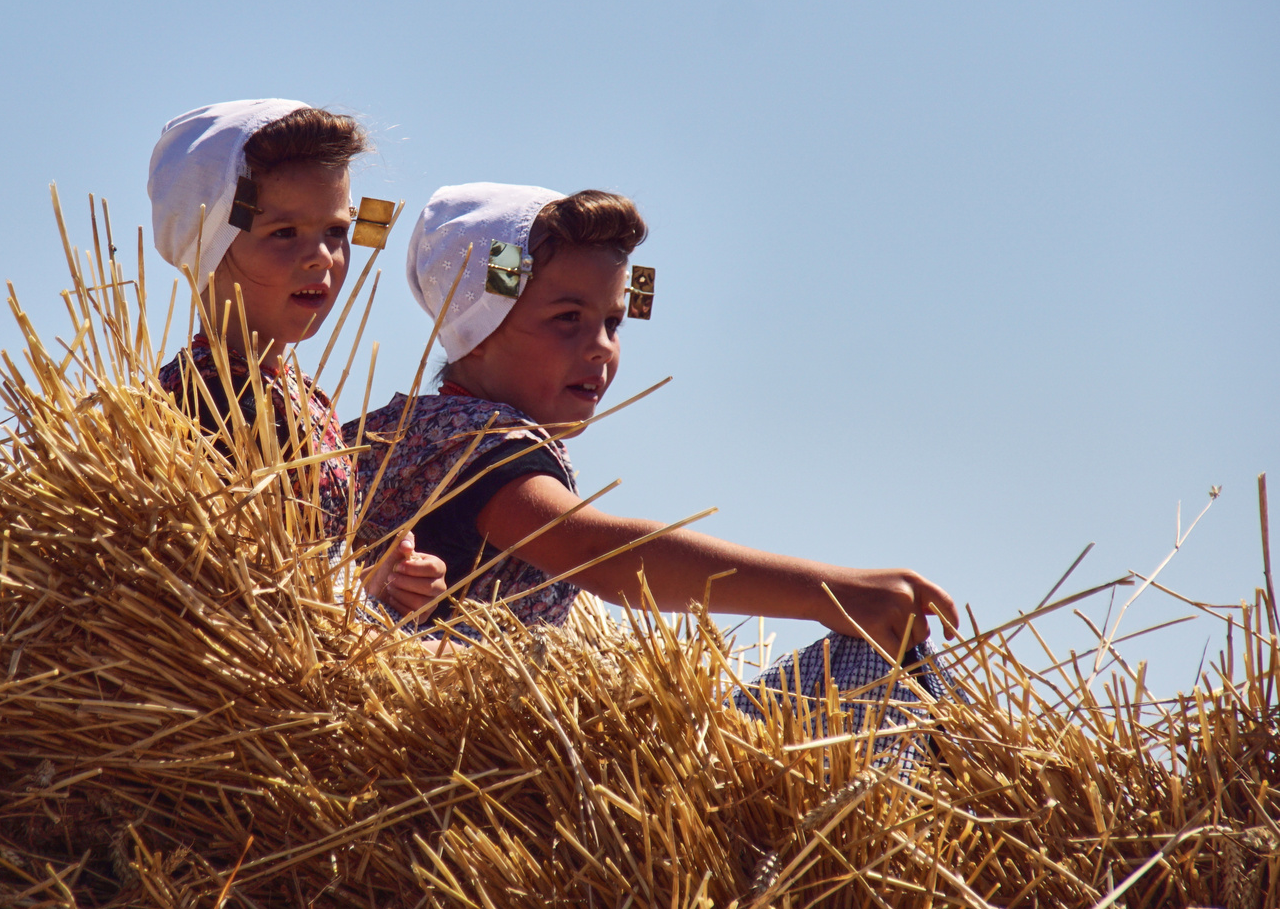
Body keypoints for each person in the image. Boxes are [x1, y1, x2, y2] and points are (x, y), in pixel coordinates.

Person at [345, 182, 957, 724]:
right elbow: (597, 552)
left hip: (454, 726)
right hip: (461, 752)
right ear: (478, 332)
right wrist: (833, 591)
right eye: (567, 318)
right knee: (879, 662)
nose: (601, 348)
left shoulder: (396, 429)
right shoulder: (484, 446)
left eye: (614, 323)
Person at [147, 99, 444, 611]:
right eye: (284, 233)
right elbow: (249, 595)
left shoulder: (302, 395)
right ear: (208, 244)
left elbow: (315, 575)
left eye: (336, 231)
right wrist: (361, 597)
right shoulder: (207, 401)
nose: (321, 257)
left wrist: (382, 581)